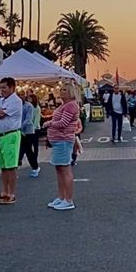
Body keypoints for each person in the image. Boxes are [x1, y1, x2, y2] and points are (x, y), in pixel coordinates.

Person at [42, 82, 79, 211]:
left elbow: (63, 123)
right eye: (61, 89)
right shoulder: (64, 105)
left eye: (64, 90)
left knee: (65, 169)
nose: (61, 92)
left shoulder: (71, 106)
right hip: (58, 141)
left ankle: (68, 199)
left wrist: (49, 124)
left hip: (63, 140)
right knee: (59, 169)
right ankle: (61, 197)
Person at [0, 77, 22, 205]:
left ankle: (11, 193)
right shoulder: (2, 100)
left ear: (12, 88)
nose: (2, 90)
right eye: (1, 87)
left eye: (4, 87)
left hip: (10, 135)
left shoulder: (15, 101)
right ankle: (4, 192)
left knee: (11, 166)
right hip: (0, 137)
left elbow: (0, 114)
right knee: (3, 167)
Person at [17, 91, 40, 177]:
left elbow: (28, 120)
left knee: (28, 150)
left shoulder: (28, 106)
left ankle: (35, 167)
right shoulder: (16, 106)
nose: (20, 97)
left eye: (21, 95)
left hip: (28, 131)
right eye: (18, 95)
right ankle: (14, 169)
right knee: (18, 150)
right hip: (17, 131)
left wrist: (19, 127)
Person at [29, 94, 41, 165]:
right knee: (29, 145)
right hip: (29, 129)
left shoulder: (37, 108)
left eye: (30, 98)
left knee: (35, 144)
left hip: (35, 129)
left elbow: (37, 119)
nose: (28, 100)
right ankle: (32, 157)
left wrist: (33, 127)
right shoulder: (28, 107)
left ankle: (35, 157)